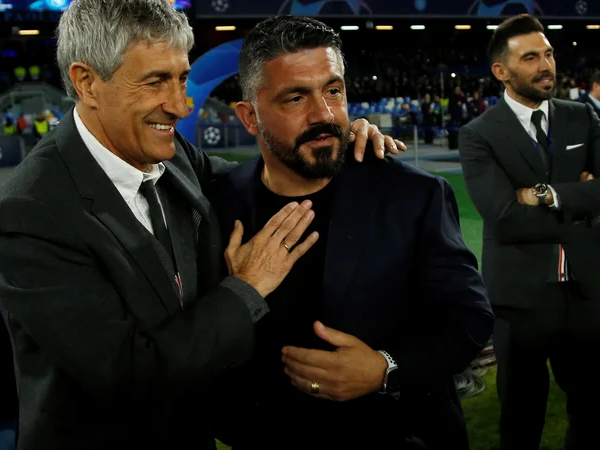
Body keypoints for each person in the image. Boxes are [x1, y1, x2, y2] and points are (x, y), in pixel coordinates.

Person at [0, 1, 402, 449]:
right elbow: (128, 376)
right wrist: (246, 289)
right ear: (87, 83)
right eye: (156, 81)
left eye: (181, 78)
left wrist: (329, 135)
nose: (181, 106)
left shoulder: (168, 151)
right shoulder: (29, 214)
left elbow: (251, 179)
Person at [208, 16, 494, 449]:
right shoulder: (219, 202)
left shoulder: (414, 195)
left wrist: (386, 368)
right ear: (249, 117)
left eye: (334, 90)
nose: (324, 114)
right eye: (295, 97)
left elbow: (470, 319)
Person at [458, 14, 600, 450]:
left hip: (586, 291)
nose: (546, 65)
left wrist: (546, 194)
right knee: (521, 421)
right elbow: (504, 217)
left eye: (549, 53)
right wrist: (581, 199)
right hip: (520, 301)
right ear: (502, 71)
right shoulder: (478, 134)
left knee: (593, 412)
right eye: (531, 57)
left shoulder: (581, 116)